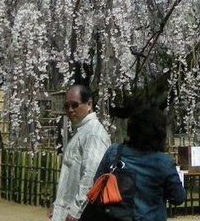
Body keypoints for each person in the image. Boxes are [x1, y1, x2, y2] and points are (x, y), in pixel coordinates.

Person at [90, 106, 185, 221]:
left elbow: (97, 182)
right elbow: (178, 198)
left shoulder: (114, 152)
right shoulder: (163, 163)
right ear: (159, 133)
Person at [50, 84, 111, 221]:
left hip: (80, 214)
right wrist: (57, 204)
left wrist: (76, 210)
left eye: (75, 105)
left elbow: (91, 175)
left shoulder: (94, 134)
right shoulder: (82, 131)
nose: (70, 110)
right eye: (66, 106)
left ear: (89, 104)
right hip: (67, 211)